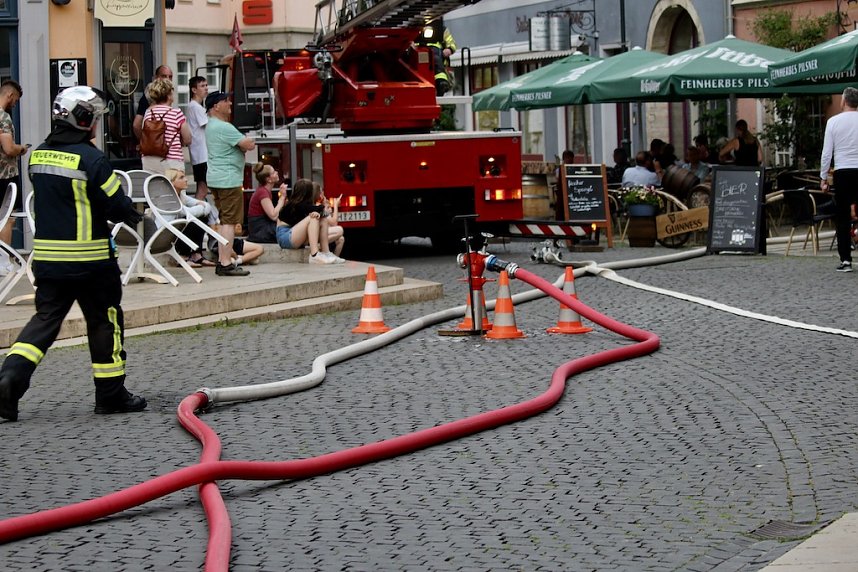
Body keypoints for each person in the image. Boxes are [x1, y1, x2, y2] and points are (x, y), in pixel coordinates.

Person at [0, 86, 146, 422]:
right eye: (93, 118)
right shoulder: (91, 159)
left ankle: (9, 379)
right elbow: (117, 203)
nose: (96, 125)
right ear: (82, 120)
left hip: (49, 262)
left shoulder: (37, 157)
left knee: (44, 322)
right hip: (92, 262)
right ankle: (111, 394)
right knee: (103, 320)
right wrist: (133, 215)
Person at [204, 91, 256, 277]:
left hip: (217, 178)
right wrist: (247, 142)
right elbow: (248, 144)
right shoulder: (224, 127)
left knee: (223, 219)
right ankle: (225, 263)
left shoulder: (211, 126)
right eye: (226, 101)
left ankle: (223, 260)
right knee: (229, 222)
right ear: (216, 106)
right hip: (228, 179)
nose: (230, 103)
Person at [819, 86, 858, 273]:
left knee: (842, 216)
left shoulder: (833, 122)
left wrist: (823, 178)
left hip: (842, 171)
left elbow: (827, 153)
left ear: (843, 101)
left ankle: (846, 260)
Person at [276, 178, 344, 264]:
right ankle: (314, 255)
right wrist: (323, 205)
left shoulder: (302, 205)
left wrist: (321, 210)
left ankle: (326, 253)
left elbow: (322, 213)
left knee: (323, 220)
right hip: (285, 237)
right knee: (313, 216)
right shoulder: (294, 205)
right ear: (308, 193)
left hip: (294, 235)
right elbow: (320, 210)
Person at [0, 80, 27, 276]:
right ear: (9, 96)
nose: (15, 104)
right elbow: (9, 148)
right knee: (7, 219)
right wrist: (22, 149)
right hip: (5, 175)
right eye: (15, 100)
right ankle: (3, 261)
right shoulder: (4, 118)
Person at [163, 168, 217, 267]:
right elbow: (187, 212)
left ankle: (196, 254)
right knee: (191, 219)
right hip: (167, 234)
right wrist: (202, 208)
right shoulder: (168, 198)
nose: (186, 179)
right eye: (181, 177)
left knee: (201, 217)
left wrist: (203, 209)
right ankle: (183, 255)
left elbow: (206, 205)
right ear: (172, 182)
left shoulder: (182, 196)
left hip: (177, 231)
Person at [140, 78, 191, 174]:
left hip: (149, 160)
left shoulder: (148, 113)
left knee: (153, 188)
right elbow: (188, 139)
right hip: (171, 161)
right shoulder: (176, 113)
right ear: (168, 95)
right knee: (175, 188)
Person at [247, 162, 286, 243]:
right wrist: (282, 197)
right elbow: (273, 216)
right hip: (260, 231)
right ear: (269, 179)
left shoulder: (264, 191)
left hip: (261, 228)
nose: (276, 172)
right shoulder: (263, 192)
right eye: (273, 172)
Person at [414, 19, 456, 96]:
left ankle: (441, 82)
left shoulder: (441, 29)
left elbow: (452, 44)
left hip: (435, 54)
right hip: (415, 52)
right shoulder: (413, 27)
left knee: (436, 59)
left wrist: (449, 49)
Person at [132, 65, 173, 141]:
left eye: (170, 77)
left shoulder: (167, 95)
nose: (168, 79)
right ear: (156, 78)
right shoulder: (149, 97)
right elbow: (136, 125)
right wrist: (145, 142)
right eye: (164, 76)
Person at [186, 76, 210, 200]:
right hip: (201, 155)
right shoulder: (196, 107)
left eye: (206, 85)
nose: (206, 88)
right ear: (194, 90)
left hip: (199, 154)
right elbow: (209, 125)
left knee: (202, 187)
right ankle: (196, 215)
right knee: (203, 189)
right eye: (202, 86)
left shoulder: (194, 107)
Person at [314, 181, 345, 257]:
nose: (323, 194)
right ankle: (319, 247)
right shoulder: (318, 205)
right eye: (322, 192)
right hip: (315, 234)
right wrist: (336, 205)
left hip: (320, 232)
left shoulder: (321, 204)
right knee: (340, 230)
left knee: (341, 239)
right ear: (319, 194)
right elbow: (334, 223)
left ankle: (335, 257)